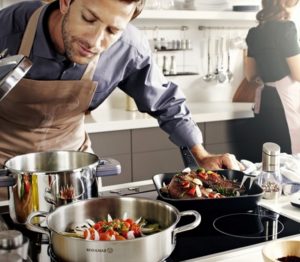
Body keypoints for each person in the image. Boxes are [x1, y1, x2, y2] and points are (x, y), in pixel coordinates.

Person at [0, 0, 243, 170]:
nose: (95, 41)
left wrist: (200, 155)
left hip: (72, 167)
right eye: (88, 18)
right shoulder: (9, 25)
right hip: (4, 162)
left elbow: (165, 101)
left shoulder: (129, 47)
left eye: (112, 30)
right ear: (66, 2)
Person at [245, 0, 300, 155]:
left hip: (267, 102)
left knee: (271, 160)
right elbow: (298, 74)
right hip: (285, 105)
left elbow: (250, 74)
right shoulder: (287, 28)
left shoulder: (254, 32)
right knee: (289, 161)